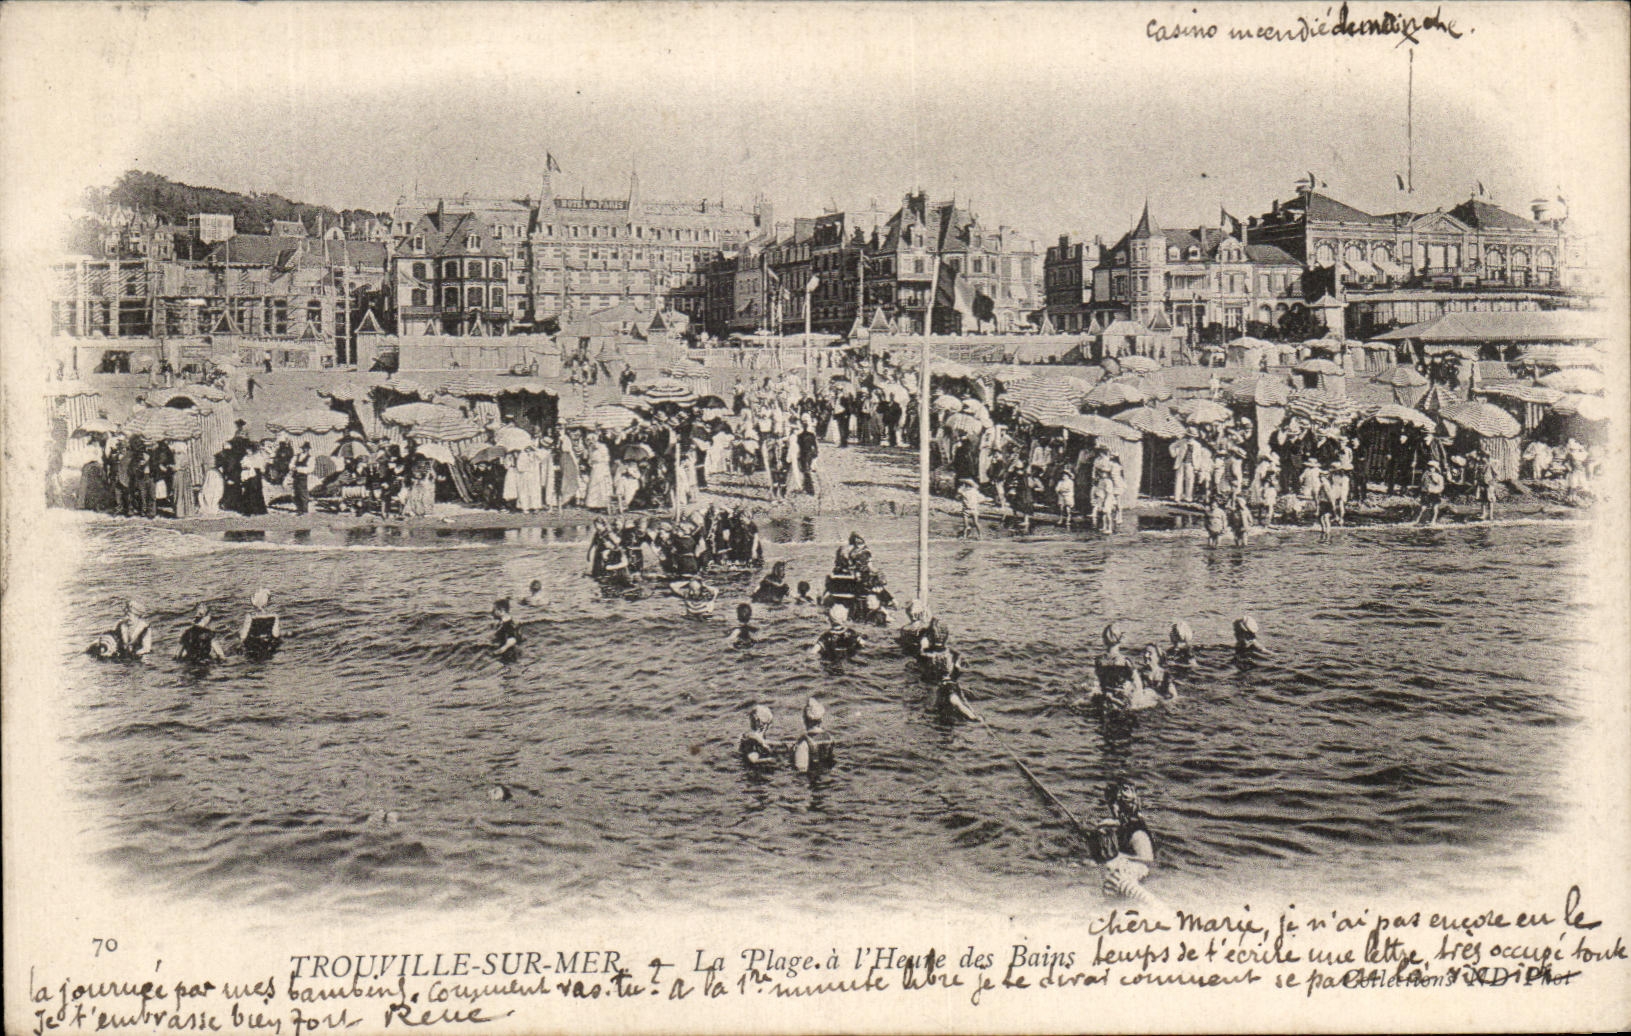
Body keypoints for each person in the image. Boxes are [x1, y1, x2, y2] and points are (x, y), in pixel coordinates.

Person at [1098, 782, 1155, 866]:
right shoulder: (1121, 826)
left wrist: (1118, 857)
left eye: (1115, 803)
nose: (1113, 807)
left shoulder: (1138, 833)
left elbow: (1148, 860)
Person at [1092, 622, 1144, 708]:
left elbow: (1096, 682)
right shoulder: (1125, 661)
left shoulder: (1099, 661)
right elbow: (1137, 684)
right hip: (1120, 698)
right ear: (1121, 639)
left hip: (1104, 697)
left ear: (1104, 640)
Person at [791, 698, 836, 774]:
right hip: (826, 776)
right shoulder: (830, 738)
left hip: (811, 777)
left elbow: (801, 769)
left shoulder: (804, 742)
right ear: (821, 719)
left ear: (805, 719)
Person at [239, 589, 283, 661]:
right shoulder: (274, 616)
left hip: (252, 647)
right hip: (268, 645)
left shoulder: (250, 617)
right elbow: (276, 634)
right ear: (267, 602)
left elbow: (243, 636)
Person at [1416, 459, 1446, 525]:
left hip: (1435, 493)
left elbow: (1441, 487)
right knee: (1423, 507)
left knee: (1435, 507)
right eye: (1429, 467)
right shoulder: (1425, 475)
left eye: (1432, 467)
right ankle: (1418, 520)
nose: (1430, 468)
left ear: (1436, 468)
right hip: (1426, 493)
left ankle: (1433, 521)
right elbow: (1422, 483)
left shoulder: (1439, 476)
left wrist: (1435, 490)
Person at [491, 598, 522, 662]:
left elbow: (512, 640)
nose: (492, 612)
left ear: (502, 611)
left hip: (509, 654)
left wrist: (501, 650)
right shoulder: (508, 621)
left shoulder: (508, 625)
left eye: (494, 610)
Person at [1476, 449, 1499, 521]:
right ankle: (1483, 514)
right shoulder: (1480, 465)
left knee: (1490, 500)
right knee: (1482, 499)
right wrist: (1478, 480)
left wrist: (1492, 481)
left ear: (1487, 458)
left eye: (1484, 457)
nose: (1482, 459)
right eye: (1482, 457)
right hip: (1482, 484)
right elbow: (1477, 474)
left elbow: (1496, 474)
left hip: (1489, 485)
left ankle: (1491, 515)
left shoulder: (1490, 465)